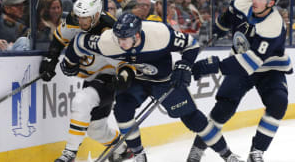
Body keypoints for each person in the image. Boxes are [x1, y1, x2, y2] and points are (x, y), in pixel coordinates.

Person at [60, 13, 244, 162]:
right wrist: (69, 62)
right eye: (118, 38)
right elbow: (79, 42)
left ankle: (227, 155)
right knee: (123, 111)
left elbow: (191, 44)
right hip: (135, 80)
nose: (121, 43)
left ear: (137, 35)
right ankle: (139, 155)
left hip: (163, 80)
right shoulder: (109, 42)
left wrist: (184, 64)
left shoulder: (160, 34)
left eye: (125, 39)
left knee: (193, 119)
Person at [186, 0, 293, 162]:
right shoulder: (239, 3)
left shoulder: (273, 26)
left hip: (269, 68)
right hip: (241, 60)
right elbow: (224, 21)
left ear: (272, 2)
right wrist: (211, 35)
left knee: (278, 103)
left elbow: (251, 62)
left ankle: (256, 152)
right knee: (223, 108)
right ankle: (197, 148)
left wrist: (216, 65)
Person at [38, 0, 132, 162]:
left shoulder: (111, 29)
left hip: (108, 77)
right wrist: (50, 59)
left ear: (96, 15)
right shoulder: (75, 19)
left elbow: (128, 57)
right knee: (96, 129)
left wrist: (124, 77)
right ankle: (122, 149)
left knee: (81, 101)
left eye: (86, 18)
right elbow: (60, 39)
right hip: (90, 78)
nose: (81, 22)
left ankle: (70, 153)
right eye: (79, 17)